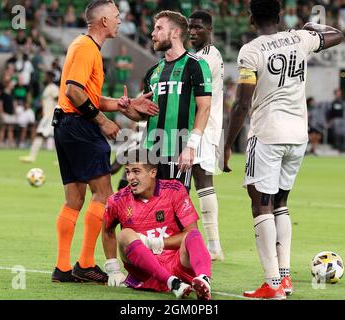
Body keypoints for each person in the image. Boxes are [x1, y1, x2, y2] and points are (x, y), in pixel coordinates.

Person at [224, 0, 344, 299]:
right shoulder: (300, 39)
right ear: (279, 16)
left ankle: (272, 283)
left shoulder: (251, 51)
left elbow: (241, 104)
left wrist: (227, 144)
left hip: (267, 134)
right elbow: (339, 34)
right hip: (298, 135)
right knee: (280, 203)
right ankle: (285, 278)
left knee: (260, 204)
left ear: (251, 19)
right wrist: (309, 26)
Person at [51, 0, 158, 284]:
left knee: (74, 198)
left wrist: (122, 105)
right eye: (116, 15)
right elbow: (74, 91)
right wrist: (102, 121)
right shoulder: (87, 48)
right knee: (103, 193)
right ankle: (86, 263)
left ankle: (62, 268)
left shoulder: (82, 46)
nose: (120, 19)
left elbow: (88, 96)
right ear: (103, 22)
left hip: (65, 124)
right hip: (80, 126)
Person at [120, 10, 212, 192]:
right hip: (149, 151)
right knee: (145, 211)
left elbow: (205, 107)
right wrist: (128, 108)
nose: (153, 34)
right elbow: (144, 116)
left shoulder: (196, 65)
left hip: (178, 149)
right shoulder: (153, 71)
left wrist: (191, 147)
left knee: (173, 213)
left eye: (159, 28)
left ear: (175, 33)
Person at [102, 150, 212, 299]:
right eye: (127, 172)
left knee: (194, 235)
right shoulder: (117, 200)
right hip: (144, 271)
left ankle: (204, 279)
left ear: (153, 172)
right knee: (124, 234)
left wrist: (155, 243)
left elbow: (191, 235)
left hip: (176, 263)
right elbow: (107, 230)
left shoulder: (174, 190)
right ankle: (173, 283)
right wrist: (112, 268)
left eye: (136, 171)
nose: (130, 178)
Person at [188, 11, 224, 261]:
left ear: (209, 29)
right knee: (186, 183)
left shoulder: (209, 56)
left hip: (204, 127)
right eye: (190, 27)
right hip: (194, 127)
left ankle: (214, 245)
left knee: (202, 180)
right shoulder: (198, 56)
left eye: (198, 27)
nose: (192, 31)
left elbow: (195, 91)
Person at [20, 71, 59, 162]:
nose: (44, 78)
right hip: (48, 116)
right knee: (56, 137)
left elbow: (59, 99)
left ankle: (31, 157)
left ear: (50, 77)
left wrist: (55, 113)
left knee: (40, 134)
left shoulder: (52, 88)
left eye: (45, 76)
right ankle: (60, 160)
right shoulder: (48, 88)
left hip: (50, 116)